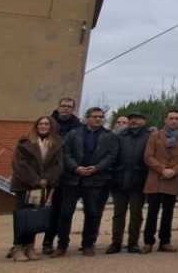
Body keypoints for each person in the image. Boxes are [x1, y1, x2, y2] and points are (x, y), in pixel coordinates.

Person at [52, 107, 119, 257]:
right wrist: (75, 167)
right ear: (87, 118)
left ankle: (88, 244)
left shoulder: (109, 136)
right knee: (66, 213)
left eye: (101, 117)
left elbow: (112, 155)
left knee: (92, 214)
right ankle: (62, 244)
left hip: (96, 180)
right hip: (73, 179)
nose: (98, 119)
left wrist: (97, 168)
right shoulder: (73, 133)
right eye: (95, 116)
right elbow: (65, 152)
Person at [9, 116, 64, 261]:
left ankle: (30, 246)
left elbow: (58, 165)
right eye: (41, 124)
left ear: (51, 127)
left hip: (44, 186)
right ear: (36, 126)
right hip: (24, 185)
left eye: (46, 124)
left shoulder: (56, 144)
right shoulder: (25, 142)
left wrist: (47, 180)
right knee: (23, 217)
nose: (43, 126)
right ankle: (18, 247)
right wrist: (36, 180)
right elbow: (19, 164)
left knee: (34, 217)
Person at [140, 110, 178, 254]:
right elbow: (148, 156)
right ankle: (148, 241)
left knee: (168, 212)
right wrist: (163, 169)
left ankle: (165, 241)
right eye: (171, 118)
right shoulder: (154, 136)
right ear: (165, 120)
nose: (173, 121)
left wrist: (174, 170)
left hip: (173, 179)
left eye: (176, 118)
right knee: (152, 212)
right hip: (156, 179)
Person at [107, 111, 151, 254]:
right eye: (132, 119)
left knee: (136, 213)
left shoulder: (149, 137)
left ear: (143, 121)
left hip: (139, 180)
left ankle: (133, 242)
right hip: (119, 180)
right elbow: (112, 156)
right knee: (118, 213)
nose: (134, 121)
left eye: (138, 119)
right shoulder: (119, 136)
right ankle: (116, 242)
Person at [42, 97, 81, 255]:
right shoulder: (46, 124)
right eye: (63, 106)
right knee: (32, 210)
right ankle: (23, 243)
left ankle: (54, 243)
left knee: (61, 211)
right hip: (45, 174)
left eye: (69, 107)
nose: (66, 109)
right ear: (58, 107)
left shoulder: (78, 128)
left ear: (73, 109)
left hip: (67, 175)